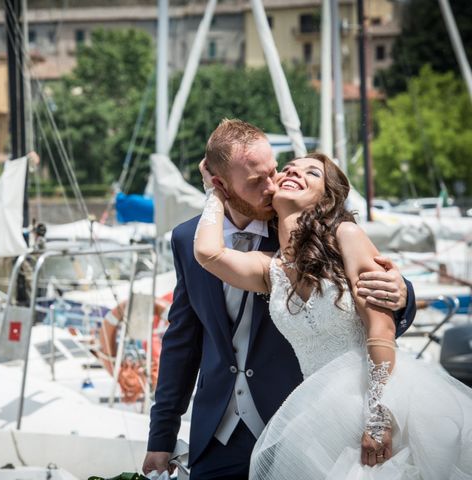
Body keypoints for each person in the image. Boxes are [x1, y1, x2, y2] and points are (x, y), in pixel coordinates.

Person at [142, 119, 416, 479]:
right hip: (217, 435)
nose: (273, 185)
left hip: (299, 424)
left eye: (274, 171)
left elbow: (369, 298)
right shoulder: (187, 238)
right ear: (222, 184)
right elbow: (182, 341)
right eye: (258, 181)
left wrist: (402, 293)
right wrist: (161, 436)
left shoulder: (306, 231)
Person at [194, 150, 472, 478]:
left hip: (379, 401)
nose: (294, 173)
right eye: (289, 169)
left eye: (312, 173)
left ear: (326, 199)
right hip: (320, 417)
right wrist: (214, 189)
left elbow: (380, 330)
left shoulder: (346, 237)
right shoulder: (272, 270)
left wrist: (380, 415)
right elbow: (208, 253)